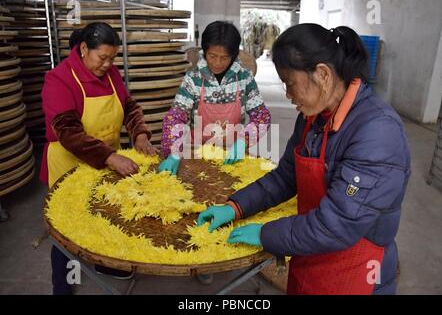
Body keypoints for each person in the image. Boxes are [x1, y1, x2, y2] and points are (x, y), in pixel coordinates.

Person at [197, 24, 411, 295]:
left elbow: (337, 226)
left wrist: (266, 234)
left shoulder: (378, 132)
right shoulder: (312, 118)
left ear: (321, 74)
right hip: (309, 254)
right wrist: (236, 206)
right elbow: (286, 177)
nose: (288, 95)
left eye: (290, 83)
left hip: (355, 273)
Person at [41, 22, 157, 294]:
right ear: (83, 49)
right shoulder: (59, 79)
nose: (107, 64)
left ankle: (107, 263)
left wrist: (139, 134)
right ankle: (64, 283)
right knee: (67, 228)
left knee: (108, 213)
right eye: (101, 57)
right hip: (69, 163)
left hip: (107, 156)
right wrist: (109, 157)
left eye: (112, 57)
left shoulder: (112, 74)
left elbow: (129, 107)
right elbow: (68, 132)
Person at [159, 21, 271, 175]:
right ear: (204, 52)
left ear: (233, 56)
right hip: (196, 153)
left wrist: (244, 141)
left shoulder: (245, 78)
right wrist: (173, 151)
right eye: (212, 56)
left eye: (224, 58)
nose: (217, 63)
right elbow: (175, 117)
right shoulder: (193, 79)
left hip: (232, 155)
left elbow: (261, 116)